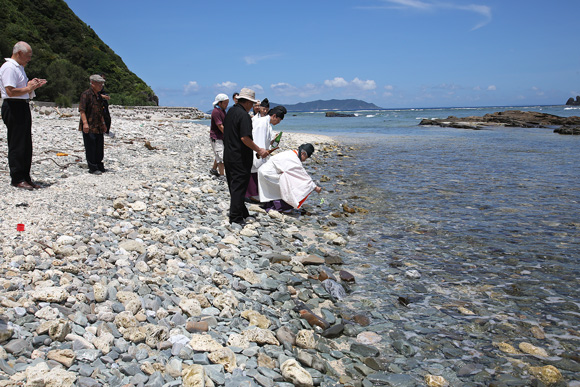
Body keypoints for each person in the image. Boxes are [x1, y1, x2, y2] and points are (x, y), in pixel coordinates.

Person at [0, 41, 47, 190]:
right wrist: (29, 87)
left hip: (21, 106)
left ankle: (25, 177)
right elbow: (10, 91)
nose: (29, 59)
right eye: (28, 56)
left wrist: (32, 86)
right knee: (17, 143)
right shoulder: (9, 67)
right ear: (19, 53)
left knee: (26, 144)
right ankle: (17, 178)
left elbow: (22, 89)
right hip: (13, 107)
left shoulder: (19, 68)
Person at [223, 88, 268, 225]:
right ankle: (235, 217)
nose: (253, 107)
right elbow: (245, 138)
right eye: (253, 104)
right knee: (239, 187)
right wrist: (259, 150)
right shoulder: (243, 116)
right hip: (240, 157)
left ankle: (242, 212)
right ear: (248, 102)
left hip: (229, 154)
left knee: (234, 186)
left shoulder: (231, 111)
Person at [258, 143, 322, 212]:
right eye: (306, 158)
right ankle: (275, 206)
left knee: (289, 181)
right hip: (268, 175)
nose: (304, 160)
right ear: (303, 153)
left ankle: (271, 204)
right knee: (291, 187)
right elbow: (302, 175)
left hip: (265, 171)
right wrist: (314, 187)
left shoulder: (291, 154)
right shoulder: (294, 159)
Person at [246, 105, 286, 201]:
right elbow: (258, 139)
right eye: (279, 120)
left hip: (261, 151)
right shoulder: (262, 123)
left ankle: (255, 194)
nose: (279, 122)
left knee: (256, 172)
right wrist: (260, 153)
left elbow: (265, 140)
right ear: (274, 116)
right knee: (255, 171)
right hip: (257, 152)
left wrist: (272, 142)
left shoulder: (266, 123)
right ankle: (252, 195)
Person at [79, 74, 108, 175]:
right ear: (92, 83)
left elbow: (100, 112)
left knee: (99, 146)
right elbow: (82, 110)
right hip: (89, 125)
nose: (101, 85)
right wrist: (85, 124)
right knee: (90, 146)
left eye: (102, 83)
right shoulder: (85, 94)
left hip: (98, 125)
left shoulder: (99, 96)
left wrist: (104, 124)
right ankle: (93, 167)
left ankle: (99, 164)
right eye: (99, 83)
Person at [209, 93, 228, 177]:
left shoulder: (223, 111)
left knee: (218, 154)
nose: (227, 105)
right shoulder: (216, 111)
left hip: (221, 137)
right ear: (219, 103)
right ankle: (222, 175)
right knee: (221, 157)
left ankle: (213, 169)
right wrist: (229, 135)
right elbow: (220, 126)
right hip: (216, 137)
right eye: (225, 103)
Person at [99, 73, 113, 137]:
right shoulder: (97, 86)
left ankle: (105, 131)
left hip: (104, 103)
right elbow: (95, 94)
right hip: (100, 104)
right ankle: (104, 131)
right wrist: (104, 97)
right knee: (105, 118)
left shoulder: (101, 86)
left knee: (107, 118)